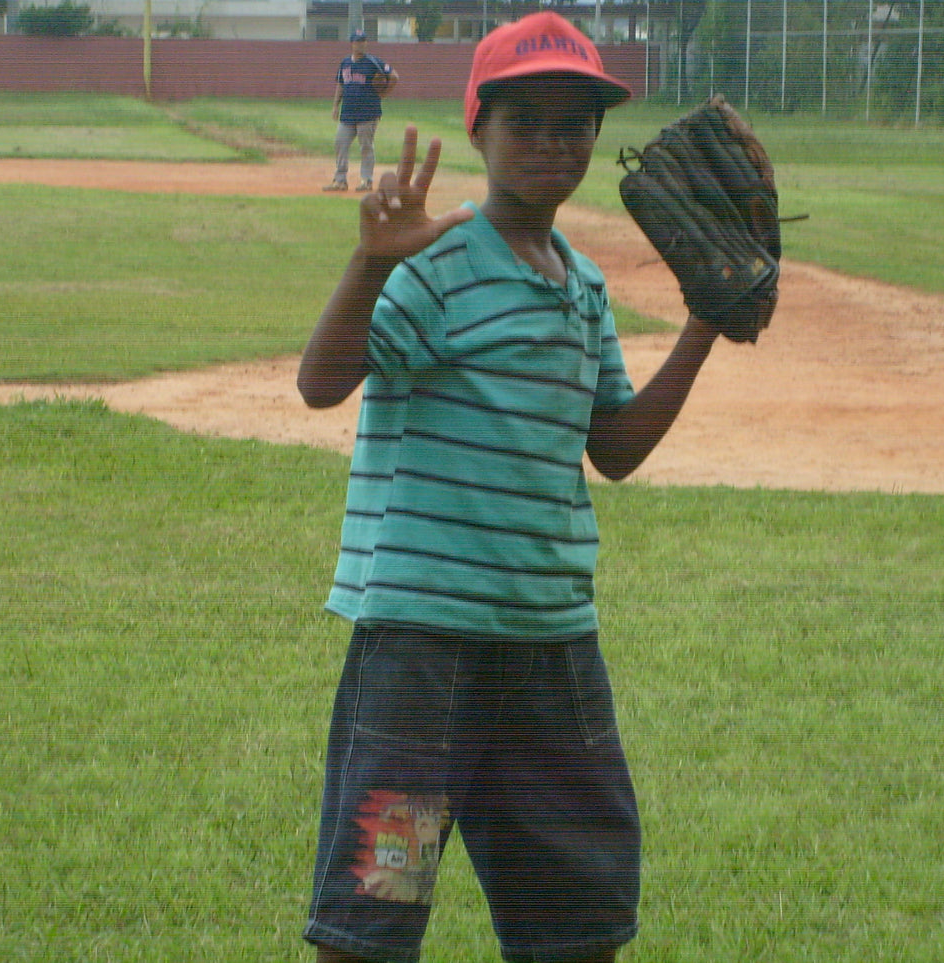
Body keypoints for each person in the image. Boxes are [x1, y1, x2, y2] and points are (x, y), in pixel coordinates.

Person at [297, 11, 724, 963]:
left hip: (551, 653)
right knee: (374, 909)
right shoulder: (433, 264)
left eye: (573, 122)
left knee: (578, 916)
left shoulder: (582, 284)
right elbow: (321, 382)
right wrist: (370, 263)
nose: (550, 141)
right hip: (422, 654)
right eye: (523, 119)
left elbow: (611, 447)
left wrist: (702, 325)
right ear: (478, 127)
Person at [326, 29, 398, 193]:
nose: (361, 44)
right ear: (352, 44)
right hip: (347, 113)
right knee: (340, 144)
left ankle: (367, 181)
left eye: (364, 40)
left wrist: (384, 94)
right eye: (358, 41)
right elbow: (340, 84)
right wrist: (335, 106)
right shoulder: (345, 63)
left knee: (366, 147)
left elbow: (394, 76)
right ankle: (340, 181)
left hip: (368, 113)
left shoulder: (374, 62)